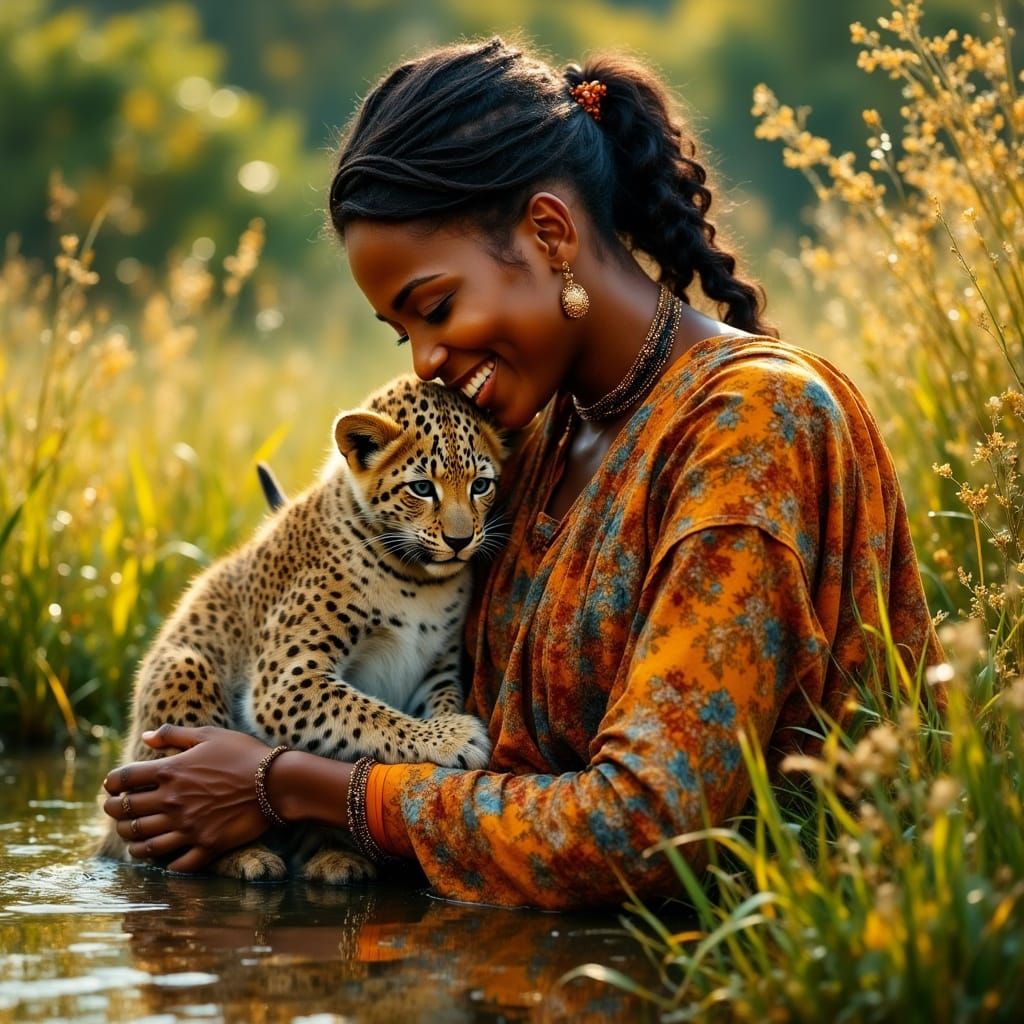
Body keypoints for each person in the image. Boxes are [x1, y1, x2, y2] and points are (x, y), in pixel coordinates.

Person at [103, 37, 942, 910]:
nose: (426, 361)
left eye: (436, 309)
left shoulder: (752, 426)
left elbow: (646, 832)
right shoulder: (527, 444)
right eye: (404, 335)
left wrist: (293, 787)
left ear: (550, 233)